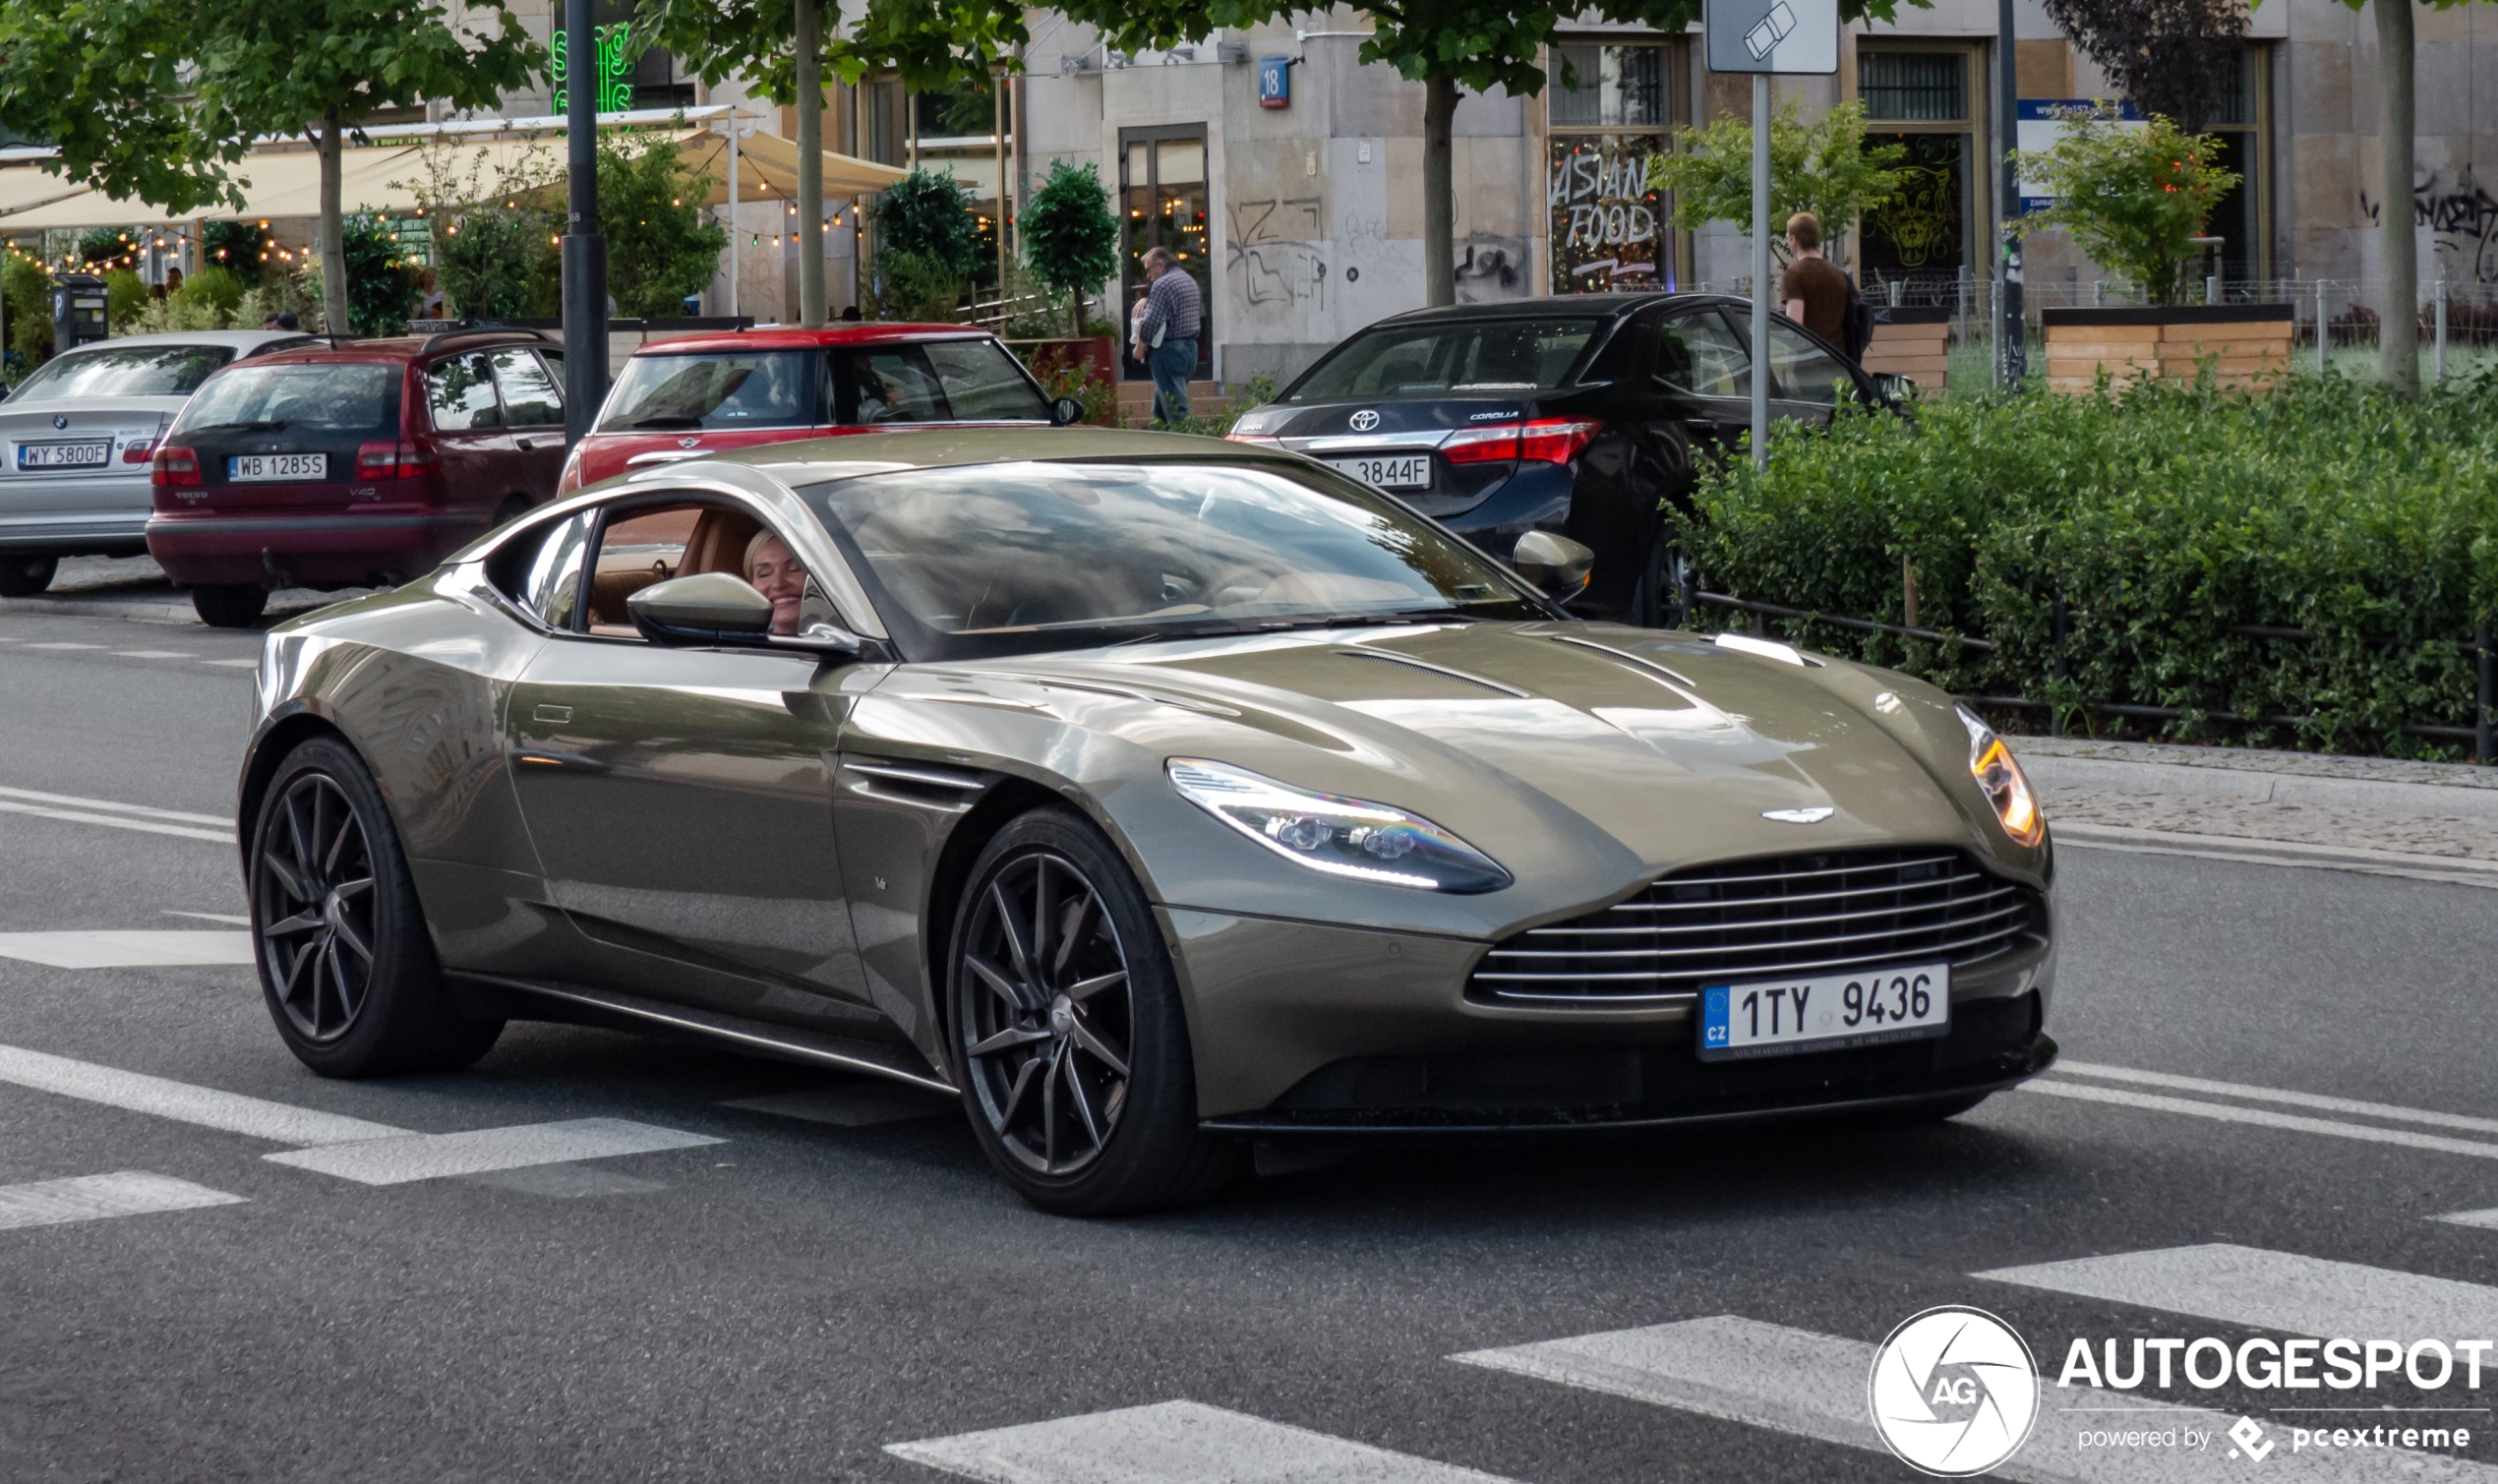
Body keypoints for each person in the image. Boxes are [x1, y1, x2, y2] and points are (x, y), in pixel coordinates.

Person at [1134, 246, 1200, 426]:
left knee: (1177, 410)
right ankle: (1156, 441)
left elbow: (1150, 324)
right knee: (1162, 405)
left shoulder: (1162, 284)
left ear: (1160, 265)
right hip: (1190, 349)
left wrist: (1139, 348)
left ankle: (1193, 447)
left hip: (1168, 351)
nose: (1148, 276)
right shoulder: (1187, 280)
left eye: (1149, 269)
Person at [1777, 211, 1853, 349]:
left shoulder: (1794, 275)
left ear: (1794, 240)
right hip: (1840, 361)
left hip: (1811, 362)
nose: (1788, 242)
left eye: (1788, 238)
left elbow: (1795, 326)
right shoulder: (1840, 275)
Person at [745, 529, 807, 635]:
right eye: (765, 574)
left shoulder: (844, 640)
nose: (778, 584)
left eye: (795, 568)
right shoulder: (739, 649)